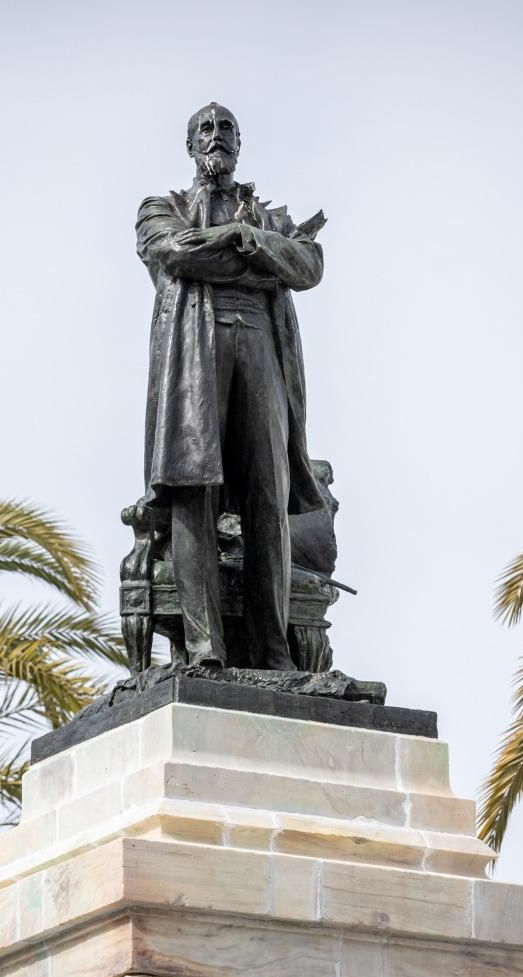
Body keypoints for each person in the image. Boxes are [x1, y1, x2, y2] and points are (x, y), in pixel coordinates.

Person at [135, 102, 326, 670]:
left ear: (239, 145)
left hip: (262, 349)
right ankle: (203, 649)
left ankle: (274, 653)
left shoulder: (269, 217)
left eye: (227, 130)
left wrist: (249, 239)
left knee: (268, 491)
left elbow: (308, 265)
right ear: (191, 146)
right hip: (197, 355)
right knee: (195, 489)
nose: (217, 137)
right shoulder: (161, 207)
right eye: (206, 130)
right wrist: (252, 250)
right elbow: (172, 252)